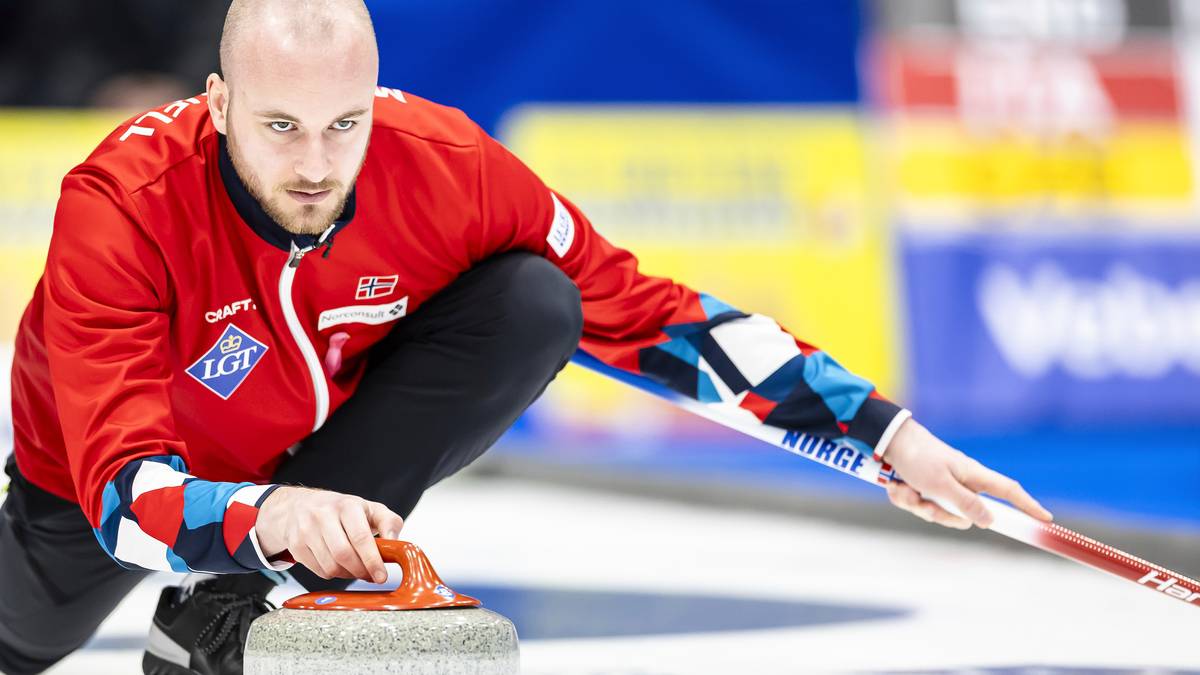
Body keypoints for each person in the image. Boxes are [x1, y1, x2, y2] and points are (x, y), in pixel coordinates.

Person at [0, 1, 1053, 673]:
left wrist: (882, 437)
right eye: (280, 127)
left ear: (376, 102)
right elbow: (122, 496)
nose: (317, 164)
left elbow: (655, 319)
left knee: (537, 300)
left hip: (303, 471)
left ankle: (227, 612)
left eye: (345, 123)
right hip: (108, 481)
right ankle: (236, 565)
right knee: (22, 640)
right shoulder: (125, 200)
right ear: (218, 102)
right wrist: (268, 513)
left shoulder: (447, 165)